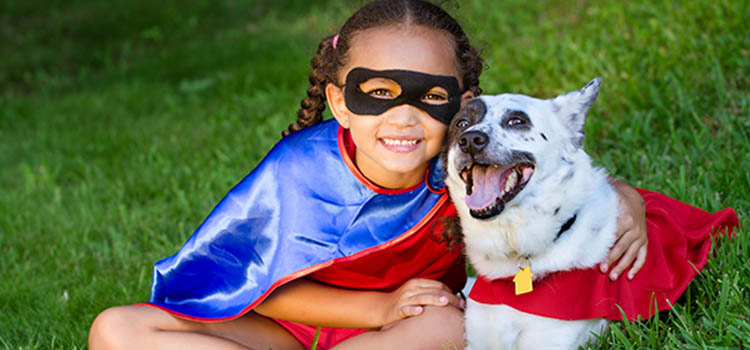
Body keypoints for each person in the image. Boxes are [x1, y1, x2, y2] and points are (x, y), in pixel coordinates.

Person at [89, 1, 654, 349]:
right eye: (378, 94)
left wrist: (624, 197)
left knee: (451, 329)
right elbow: (249, 288)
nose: (403, 118)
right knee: (116, 330)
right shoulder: (299, 172)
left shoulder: (462, 165)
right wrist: (374, 309)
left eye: (431, 98)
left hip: (405, 335)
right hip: (285, 332)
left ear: (463, 102)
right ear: (339, 102)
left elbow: (557, 189)